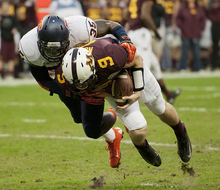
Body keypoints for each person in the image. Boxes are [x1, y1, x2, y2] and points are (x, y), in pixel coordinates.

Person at [18, 14, 136, 168]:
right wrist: (68, 91)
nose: (55, 54)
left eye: (59, 48)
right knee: (79, 118)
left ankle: (118, 114)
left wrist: (125, 39)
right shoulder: (29, 48)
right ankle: (114, 135)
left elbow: (109, 25)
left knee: (91, 130)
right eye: (50, 50)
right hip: (66, 80)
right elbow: (43, 80)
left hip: (91, 73)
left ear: (68, 38)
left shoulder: (82, 29)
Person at [58, 38, 192, 166]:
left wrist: (138, 92)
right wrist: (103, 93)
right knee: (138, 130)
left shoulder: (110, 56)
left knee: (159, 107)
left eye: (85, 82)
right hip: (111, 87)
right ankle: (142, 147)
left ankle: (180, 132)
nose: (82, 87)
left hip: (131, 72)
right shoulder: (62, 78)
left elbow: (137, 59)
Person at [123, 0, 181, 104]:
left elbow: (125, 15)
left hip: (134, 32)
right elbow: (145, 15)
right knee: (143, 68)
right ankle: (133, 97)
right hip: (142, 33)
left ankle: (168, 94)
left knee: (154, 65)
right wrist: (155, 31)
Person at [176, 0, 206, 72]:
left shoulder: (198, 8)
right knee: (185, 52)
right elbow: (178, 19)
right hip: (185, 34)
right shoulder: (183, 8)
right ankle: (182, 67)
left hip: (196, 33)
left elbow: (203, 19)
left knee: (196, 52)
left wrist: (201, 29)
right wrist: (182, 28)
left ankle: (198, 67)